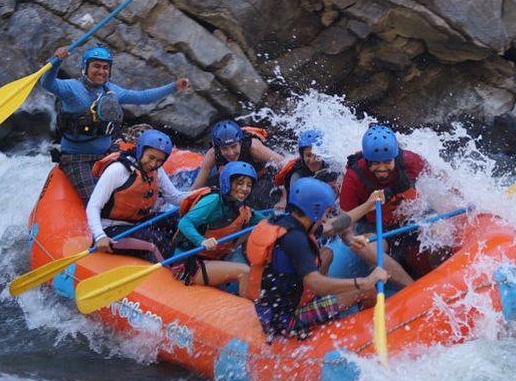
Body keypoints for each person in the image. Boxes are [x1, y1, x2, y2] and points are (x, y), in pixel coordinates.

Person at [41, 44, 190, 202]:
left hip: (106, 154)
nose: (101, 71)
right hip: (76, 158)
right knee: (98, 201)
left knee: (135, 184)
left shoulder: (112, 91)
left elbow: (143, 97)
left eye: (105, 67)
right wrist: (56, 61)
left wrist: (174, 86)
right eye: (96, 66)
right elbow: (47, 83)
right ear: (85, 68)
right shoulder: (71, 88)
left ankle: (173, 196)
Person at [247, 177, 388, 339]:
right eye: (326, 213)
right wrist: (364, 281)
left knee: (326, 254)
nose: (326, 218)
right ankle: (370, 335)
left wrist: (369, 204)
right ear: (315, 210)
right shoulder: (295, 240)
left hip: (273, 306)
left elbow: (333, 226)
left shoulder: (288, 222)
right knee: (367, 291)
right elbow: (316, 284)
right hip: (285, 320)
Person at [339, 125, 433, 285]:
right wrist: (350, 239)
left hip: (410, 217)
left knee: (440, 229)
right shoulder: (354, 176)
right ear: (367, 159)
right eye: (375, 163)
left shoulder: (410, 161)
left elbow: (442, 181)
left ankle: (441, 274)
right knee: (367, 247)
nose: (382, 168)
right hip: (375, 227)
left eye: (387, 162)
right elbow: (345, 222)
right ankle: (412, 288)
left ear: (395, 157)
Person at [86, 129, 188, 262]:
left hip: (137, 223)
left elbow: (174, 197)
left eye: (159, 161)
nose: (153, 164)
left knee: (179, 220)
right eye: (150, 157)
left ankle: (190, 254)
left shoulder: (157, 171)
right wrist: (100, 236)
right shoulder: (118, 170)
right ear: (140, 150)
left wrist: (200, 197)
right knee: (158, 240)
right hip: (110, 229)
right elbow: (93, 206)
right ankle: (177, 271)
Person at [173, 161, 268, 296]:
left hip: (215, 258)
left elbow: (267, 221)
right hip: (189, 262)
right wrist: (201, 241)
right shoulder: (214, 200)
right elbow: (185, 223)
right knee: (244, 271)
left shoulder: (244, 209)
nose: (245, 189)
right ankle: (249, 312)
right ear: (227, 183)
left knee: (252, 228)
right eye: (240, 183)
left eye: (249, 185)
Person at [190, 120, 284, 190]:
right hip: (234, 180)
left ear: (240, 143)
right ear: (218, 148)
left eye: (234, 146)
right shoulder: (213, 153)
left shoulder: (254, 148)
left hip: (260, 177)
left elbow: (284, 164)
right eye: (225, 148)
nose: (230, 153)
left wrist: (283, 197)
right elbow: (196, 187)